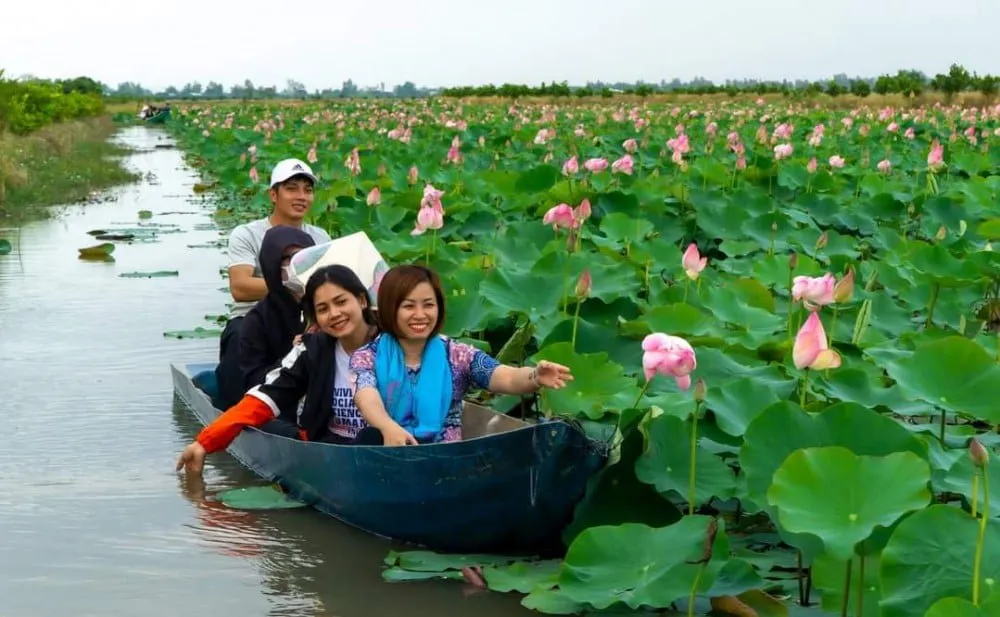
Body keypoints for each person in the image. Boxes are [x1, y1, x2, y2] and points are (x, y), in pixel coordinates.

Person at [177, 265, 380, 475]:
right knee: (260, 424)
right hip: (330, 449)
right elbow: (264, 397)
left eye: (341, 302)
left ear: (362, 300)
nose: (334, 314)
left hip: (386, 445)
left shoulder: (392, 344)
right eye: (323, 309)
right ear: (315, 317)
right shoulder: (312, 349)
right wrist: (204, 443)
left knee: (373, 436)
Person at [350, 264, 574, 447]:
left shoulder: (456, 354)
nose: (420, 315)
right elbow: (366, 396)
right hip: (387, 455)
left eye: (428, 305)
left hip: (446, 461)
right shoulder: (367, 356)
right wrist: (387, 427)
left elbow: (503, 376)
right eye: (409, 306)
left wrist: (535, 376)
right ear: (390, 309)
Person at [214, 158, 331, 408]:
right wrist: (293, 283)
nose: (302, 196)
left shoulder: (320, 237)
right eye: (292, 188)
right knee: (238, 336)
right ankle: (235, 411)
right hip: (253, 318)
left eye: (308, 190)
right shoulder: (247, 234)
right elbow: (241, 287)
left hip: (306, 317)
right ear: (273, 195)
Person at [214, 225, 316, 410]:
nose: (294, 265)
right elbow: (253, 381)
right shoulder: (257, 321)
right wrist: (293, 357)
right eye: (287, 259)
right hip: (276, 404)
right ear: (272, 265)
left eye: (301, 257)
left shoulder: (325, 307)